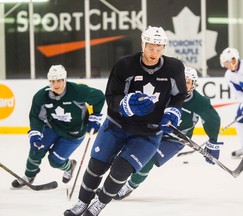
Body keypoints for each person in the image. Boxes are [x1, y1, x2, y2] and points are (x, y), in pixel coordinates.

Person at [64, 26, 187, 216]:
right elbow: (111, 95)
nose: (154, 53)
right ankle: (82, 202)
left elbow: (179, 95)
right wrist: (125, 105)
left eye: (159, 48)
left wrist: (172, 112)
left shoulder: (175, 68)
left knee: (121, 171)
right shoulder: (125, 65)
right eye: (150, 47)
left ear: (163, 47)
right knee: (97, 166)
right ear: (143, 44)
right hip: (116, 126)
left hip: (148, 133)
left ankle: (99, 204)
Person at [100, 67, 224, 200]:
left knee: (148, 159)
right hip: (155, 131)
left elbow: (212, 119)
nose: (185, 84)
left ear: (194, 84)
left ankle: (129, 186)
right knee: (127, 155)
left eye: (188, 82)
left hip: (175, 139)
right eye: (183, 81)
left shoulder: (200, 102)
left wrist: (213, 141)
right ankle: (112, 185)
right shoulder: (167, 92)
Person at [11, 65, 105, 188]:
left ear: (64, 79)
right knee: (36, 148)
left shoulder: (77, 91)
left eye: (59, 80)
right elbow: (37, 117)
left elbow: (99, 97)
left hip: (74, 134)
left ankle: (69, 166)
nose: (56, 84)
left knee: (55, 161)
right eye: (52, 81)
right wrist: (35, 132)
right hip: (52, 127)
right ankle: (29, 176)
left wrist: (95, 116)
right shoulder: (42, 96)